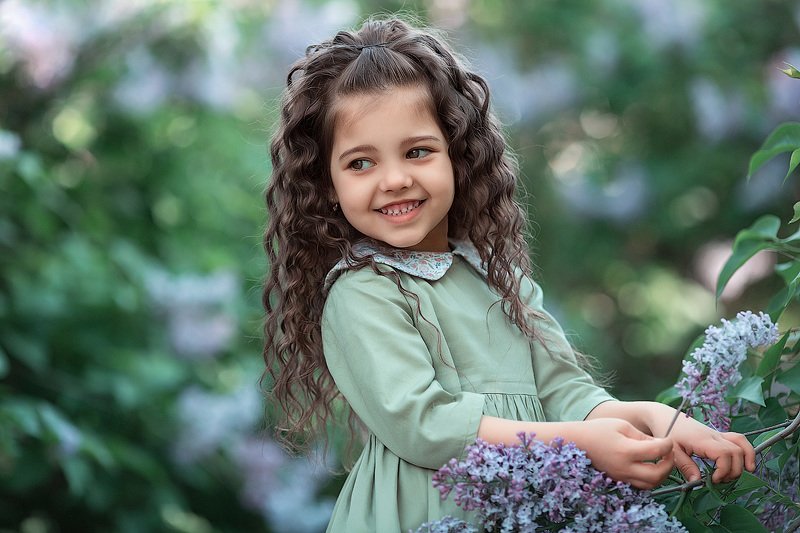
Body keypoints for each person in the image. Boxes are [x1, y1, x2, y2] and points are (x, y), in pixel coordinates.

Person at [262, 17, 755, 533]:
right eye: (360, 163)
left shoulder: (498, 279)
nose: (395, 179)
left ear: (458, 155)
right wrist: (580, 443)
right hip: (421, 516)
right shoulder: (363, 290)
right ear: (328, 185)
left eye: (417, 151)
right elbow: (425, 427)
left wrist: (658, 419)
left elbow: (567, 394)